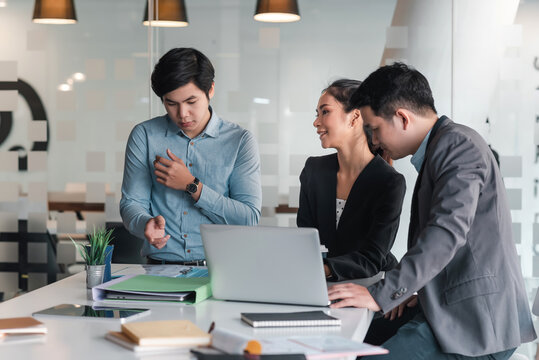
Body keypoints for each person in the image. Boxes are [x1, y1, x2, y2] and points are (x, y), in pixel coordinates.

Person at [328, 63, 536, 359]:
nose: (374, 141)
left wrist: (385, 292)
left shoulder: (458, 146)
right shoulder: (443, 146)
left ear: (401, 118)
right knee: (357, 339)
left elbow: (446, 233)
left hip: (477, 322)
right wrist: (417, 292)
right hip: (448, 306)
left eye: (374, 129)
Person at [120, 48, 262, 265]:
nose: (182, 113)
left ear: (210, 90)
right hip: (159, 270)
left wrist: (192, 186)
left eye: (191, 101)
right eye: (171, 103)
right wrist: (144, 223)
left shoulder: (239, 141)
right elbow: (132, 203)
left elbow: (248, 218)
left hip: (221, 270)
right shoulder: (145, 135)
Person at [297, 79, 406, 281]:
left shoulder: (389, 182)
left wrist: (324, 269)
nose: (316, 122)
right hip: (321, 283)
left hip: (374, 286)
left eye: (325, 112)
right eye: (317, 114)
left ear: (355, 117)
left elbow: (372, 257)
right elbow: (305, 240)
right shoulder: (314, 170)